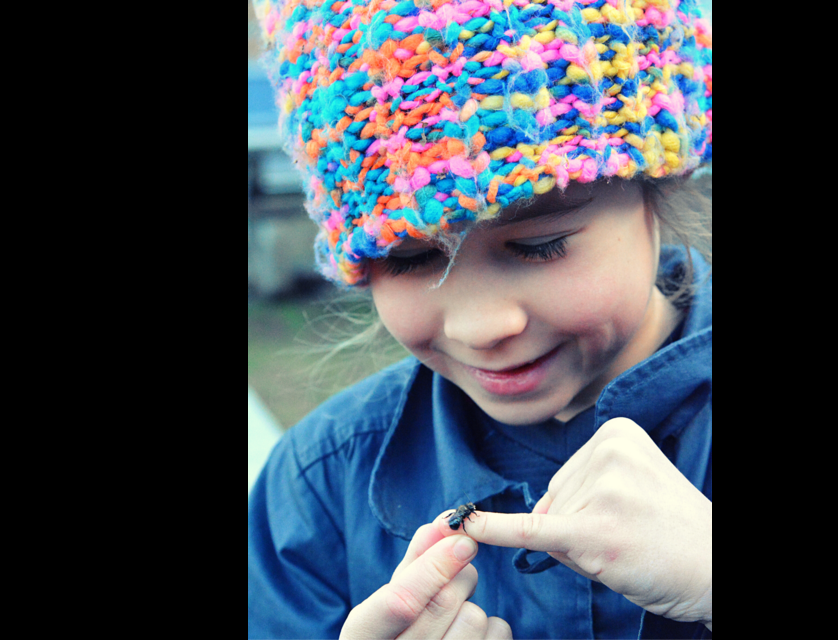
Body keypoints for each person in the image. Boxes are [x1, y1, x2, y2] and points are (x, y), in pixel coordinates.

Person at [249, 0, 712, 637]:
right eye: (408, 259)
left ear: (655, 190)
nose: (480, 326)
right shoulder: (317, 494)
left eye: (539, 246)